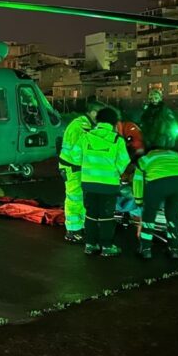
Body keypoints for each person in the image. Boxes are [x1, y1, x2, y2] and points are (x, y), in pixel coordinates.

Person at [70, 106, 131, 257]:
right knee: (106, 216)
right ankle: (107, 247)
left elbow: (75, 156)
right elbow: (124, 161)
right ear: (113, 122)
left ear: (98, 120)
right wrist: (114, 170)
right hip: (109, 185)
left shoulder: (86, 137)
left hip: (89, 183)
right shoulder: (117, 140)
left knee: (90, 214)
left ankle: (90, 245)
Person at [132, 143, 178, 260]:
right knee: (172, 215)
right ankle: (173, 250)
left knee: (149, 216)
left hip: (158, 183)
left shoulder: (145, 159)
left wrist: (139, 201)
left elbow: (137, 180)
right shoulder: (174, 154)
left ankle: (145, 249)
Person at [57, 100, 104, 243]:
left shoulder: (83, 124)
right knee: (74, 198)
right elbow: (80, 152)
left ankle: (81, 227)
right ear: (94, 113)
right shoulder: (81, 127)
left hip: (74, 167)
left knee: (80, 198)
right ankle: (72, 231)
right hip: (73, 167)